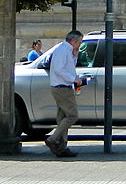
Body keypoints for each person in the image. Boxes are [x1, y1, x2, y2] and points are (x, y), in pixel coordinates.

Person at [44, 30, 88, 159]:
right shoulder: (62, 50)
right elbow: (59, 69)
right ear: (73, 41)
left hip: (63, 86)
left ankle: (60, 146)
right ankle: (53, 139)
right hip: (62, 87)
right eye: (79, 42)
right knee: (72, 115)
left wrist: (75, 56)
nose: (80, 45)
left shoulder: (68, 50)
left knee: (62, 117)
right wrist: (73, 79)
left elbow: (68, 67)